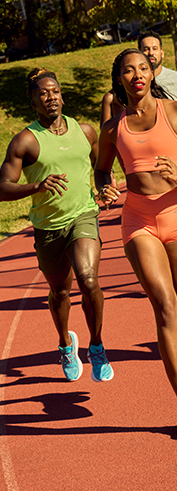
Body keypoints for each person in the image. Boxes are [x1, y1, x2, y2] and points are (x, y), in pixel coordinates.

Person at [94, 48, 177, 437]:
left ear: (152, 74)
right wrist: (105, 189)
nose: (137, 74)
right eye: (128, 70)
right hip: (138, 220)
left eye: (143, 68)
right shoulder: (111, 129)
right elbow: (102, 171)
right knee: (165, 307)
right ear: (119, 79)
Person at [0, 67, 114, 383]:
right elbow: (2, 187)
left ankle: (97, 346)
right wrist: (36, 187)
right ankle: (65, 343)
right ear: (33, 101)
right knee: (59, 292)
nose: (51, 98)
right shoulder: (25, 141)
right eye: (43, 93)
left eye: (55, 91)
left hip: (83, 216)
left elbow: (101, 168)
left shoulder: (86, 131)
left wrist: (104, 187)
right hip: (48, 227)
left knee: (89, 280)